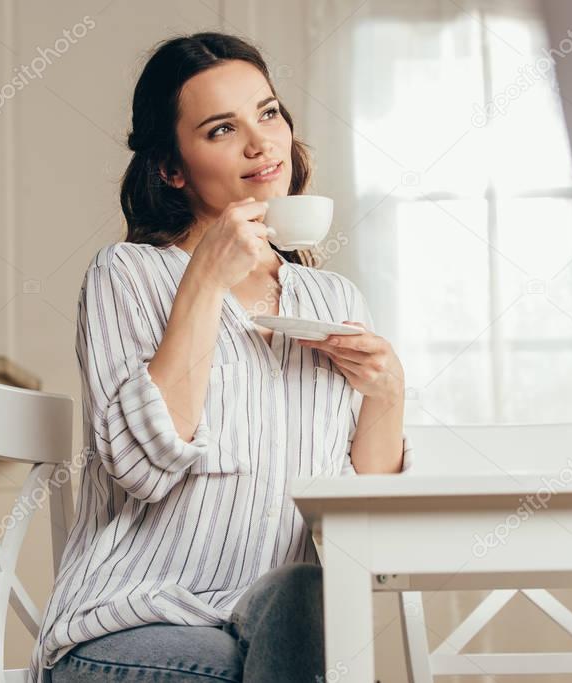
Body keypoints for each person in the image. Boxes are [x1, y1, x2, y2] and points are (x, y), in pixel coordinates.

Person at [29, 31, 411, 683]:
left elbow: (363, 532)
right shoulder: (126, 275)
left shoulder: (332, 297)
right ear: (172, 168)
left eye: (267, 113)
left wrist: (386, 391)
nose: (261, 143)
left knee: (305, 591)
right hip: (129, 628)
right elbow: (140, 469)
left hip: (275, 619)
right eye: (219, 129)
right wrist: (202, 282)